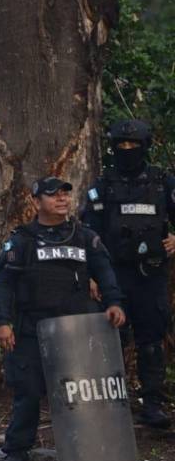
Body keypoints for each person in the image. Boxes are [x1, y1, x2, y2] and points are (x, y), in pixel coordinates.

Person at [0, 177, 126, 461]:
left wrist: (114, 302)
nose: (62, 199)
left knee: (81, 391)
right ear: (36, 202)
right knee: (28, 391)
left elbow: (105, 272)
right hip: (32, 328)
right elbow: (3, 284)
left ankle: (88, 450)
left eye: (65, 194)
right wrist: (2, 321)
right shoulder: (22, 240)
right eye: (53, 195)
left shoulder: (84, 237)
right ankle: (17, 450)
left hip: (76, 329)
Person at [81, 119, 175, 428]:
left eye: (133, 145)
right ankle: (110, 404)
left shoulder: (162, 182)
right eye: (121, 145)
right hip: (113, 275)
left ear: (145, 147)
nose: (127, 149)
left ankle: (153, 404)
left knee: (152, 339)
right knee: (111, 339)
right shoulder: (102, 185)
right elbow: (88, 234)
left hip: (151, 275)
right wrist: (92, 276)